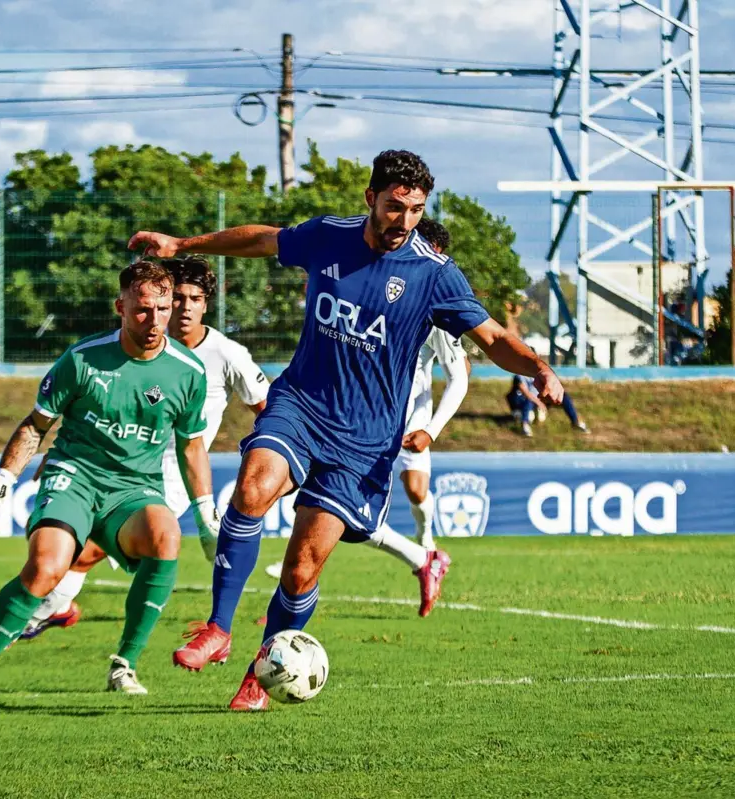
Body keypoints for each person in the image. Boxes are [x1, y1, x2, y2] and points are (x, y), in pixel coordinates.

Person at [129, 149, 564, 710]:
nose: (402, 220)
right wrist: (184, 246)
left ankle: (260, 677)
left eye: (414, 210)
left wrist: (539, 367)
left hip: (364, 444)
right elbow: (262, 240)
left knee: (302, 567)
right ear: (371, 200)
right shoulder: (329, 236)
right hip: (302, 405)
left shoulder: (434, 274)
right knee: (253, 487)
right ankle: (218, 627)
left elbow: (492, 339)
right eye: (393, 207)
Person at [0, 261, 215, 697]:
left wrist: (206, 514)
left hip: (134, 488)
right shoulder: (83, 358)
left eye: (163, 308)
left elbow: (191, 445)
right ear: (120, 307)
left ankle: (125, 666)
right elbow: (36, 426)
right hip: (75, 476)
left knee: (166, 538)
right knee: (47, 568)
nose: (156, 320)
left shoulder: (188, 371)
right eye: (143, 309)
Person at [18, 256, 269, 640]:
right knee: (74, 542)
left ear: (206, 304)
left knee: (91, 548)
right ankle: (58, 606)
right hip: (118, 461)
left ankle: (52, 609)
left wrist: (265, 457)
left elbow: (266, 407)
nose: (184, 308)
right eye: (178, 299)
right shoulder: (138, 344)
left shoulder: (227, 354)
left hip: (171, 473)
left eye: (194, 299)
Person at [261, 217, 468, 617]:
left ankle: (424, 548)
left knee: (412, 491)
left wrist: (431, 428)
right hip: (354, 419)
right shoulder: (374, 282)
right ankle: (419, 558)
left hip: (408, 421)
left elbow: (460, 375)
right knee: (339, 507)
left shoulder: (436, 296)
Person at [507, 374, 588, 437]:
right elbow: (526, 393)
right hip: (521, 403)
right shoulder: (519, 376)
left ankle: (576, 422)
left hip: (536, 400)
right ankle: (525, 426)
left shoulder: (538, 374)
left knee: (564, 397)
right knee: (529, 400)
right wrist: (539, 403)